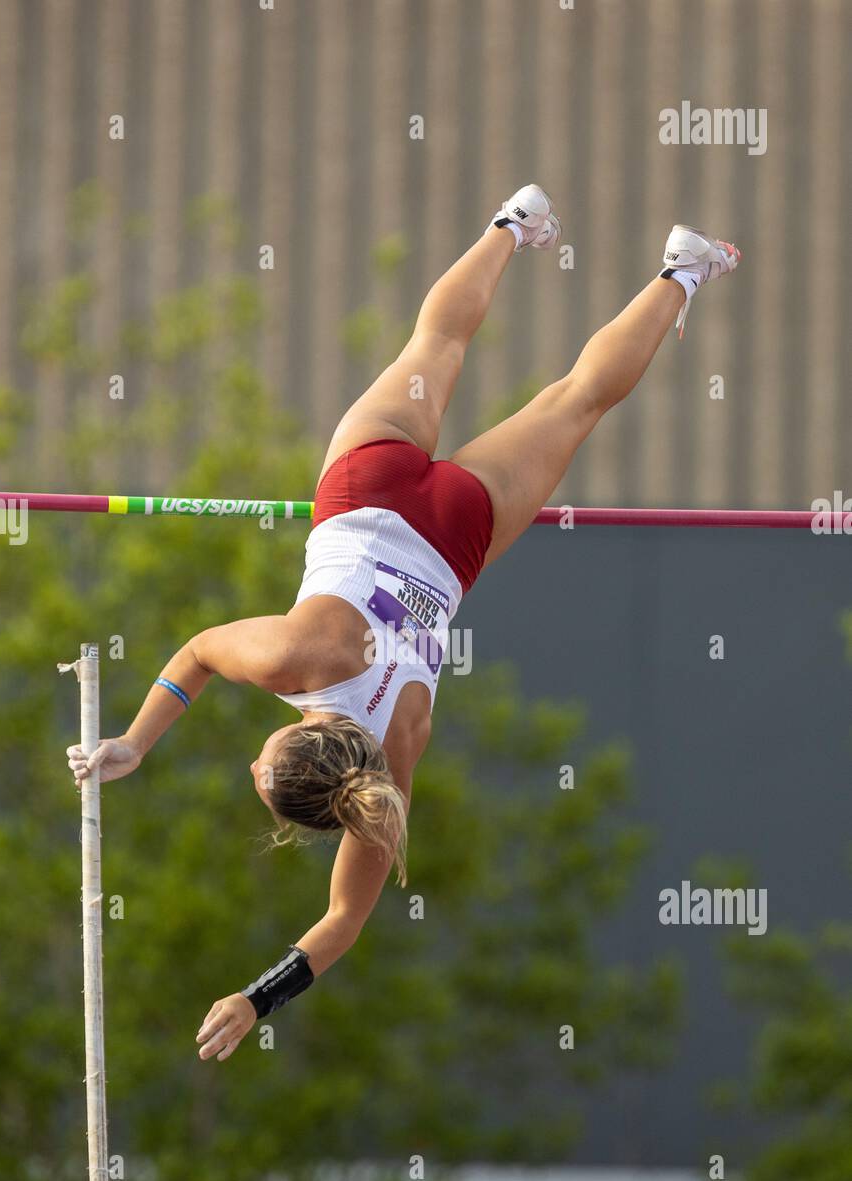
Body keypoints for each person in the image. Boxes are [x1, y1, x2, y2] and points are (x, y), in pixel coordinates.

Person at [66, 186, 740, 1062]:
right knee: (437, 345)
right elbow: (195, 652)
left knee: (575, 401)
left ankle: (682, 271)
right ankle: (514, 224)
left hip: (457, 533)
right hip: (367, 489)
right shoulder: (291, 661)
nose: (251, 759)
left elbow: (344, 920)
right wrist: (136, 741)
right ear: (293, 753)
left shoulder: (399, 754)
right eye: (263, 769)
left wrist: (259, 1000)